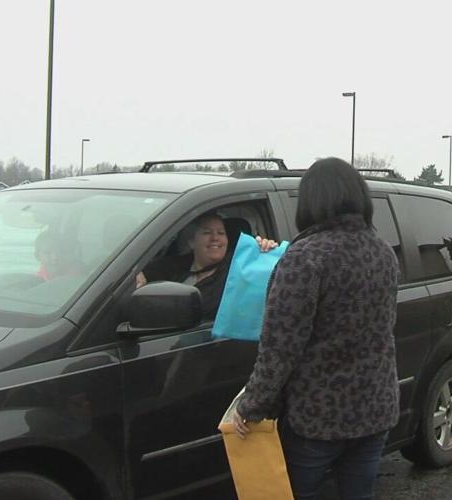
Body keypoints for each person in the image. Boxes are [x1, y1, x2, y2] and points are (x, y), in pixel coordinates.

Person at [231, 157, 400, 500]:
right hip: (375, 409)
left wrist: (251, 405)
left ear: (311, 201)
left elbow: (280, 346)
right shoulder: (383, 252)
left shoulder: (306, 256)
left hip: (318, 419)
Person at [136, 212, 276, 320]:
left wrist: (265, 250)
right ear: (191, 241)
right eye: (207, 232)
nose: (215, 238)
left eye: (221, 233)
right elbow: (142, 271)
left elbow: (265, 271)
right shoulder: (176, 266)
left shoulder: (237, 267)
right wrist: (139, 274)